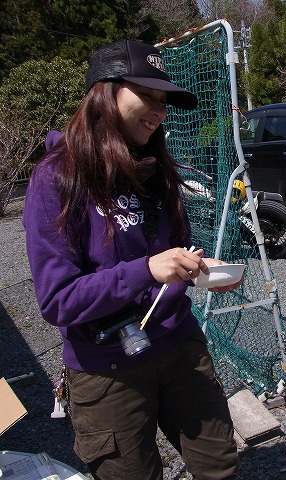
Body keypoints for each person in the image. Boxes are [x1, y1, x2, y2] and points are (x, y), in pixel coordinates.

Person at [23, 39, 240, 480]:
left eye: (164, 101)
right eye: (148, 96)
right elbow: (58, 300)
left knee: (220, 464)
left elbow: (175, 247)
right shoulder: (57, 178)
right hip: (107, 368)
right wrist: (145, 270)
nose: (160, 111)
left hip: (179, 344)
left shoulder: (156, 168)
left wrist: (197, 270)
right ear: (105, 92)